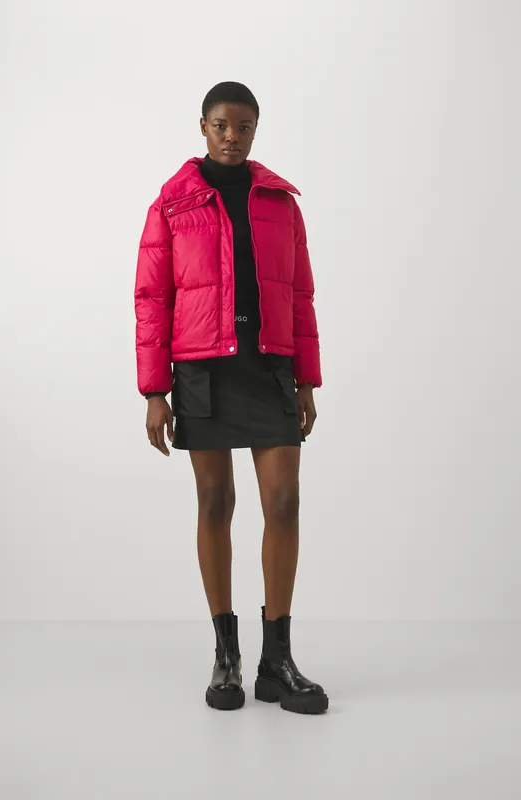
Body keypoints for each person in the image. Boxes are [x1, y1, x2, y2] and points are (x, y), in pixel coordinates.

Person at [134, 81, 328, 714]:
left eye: (243, 127)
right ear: (203, 126)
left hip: (269, 367)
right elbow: (152, 298)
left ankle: (278, 661)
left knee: (284, 502)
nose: (232, 136)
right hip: (202, 371)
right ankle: (227, 656)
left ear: (255, 129)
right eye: (221, 125)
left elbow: (299, 294)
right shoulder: (172, 203)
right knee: (215, 502)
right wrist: (154, 390)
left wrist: (306, 379)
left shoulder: (280, 202)